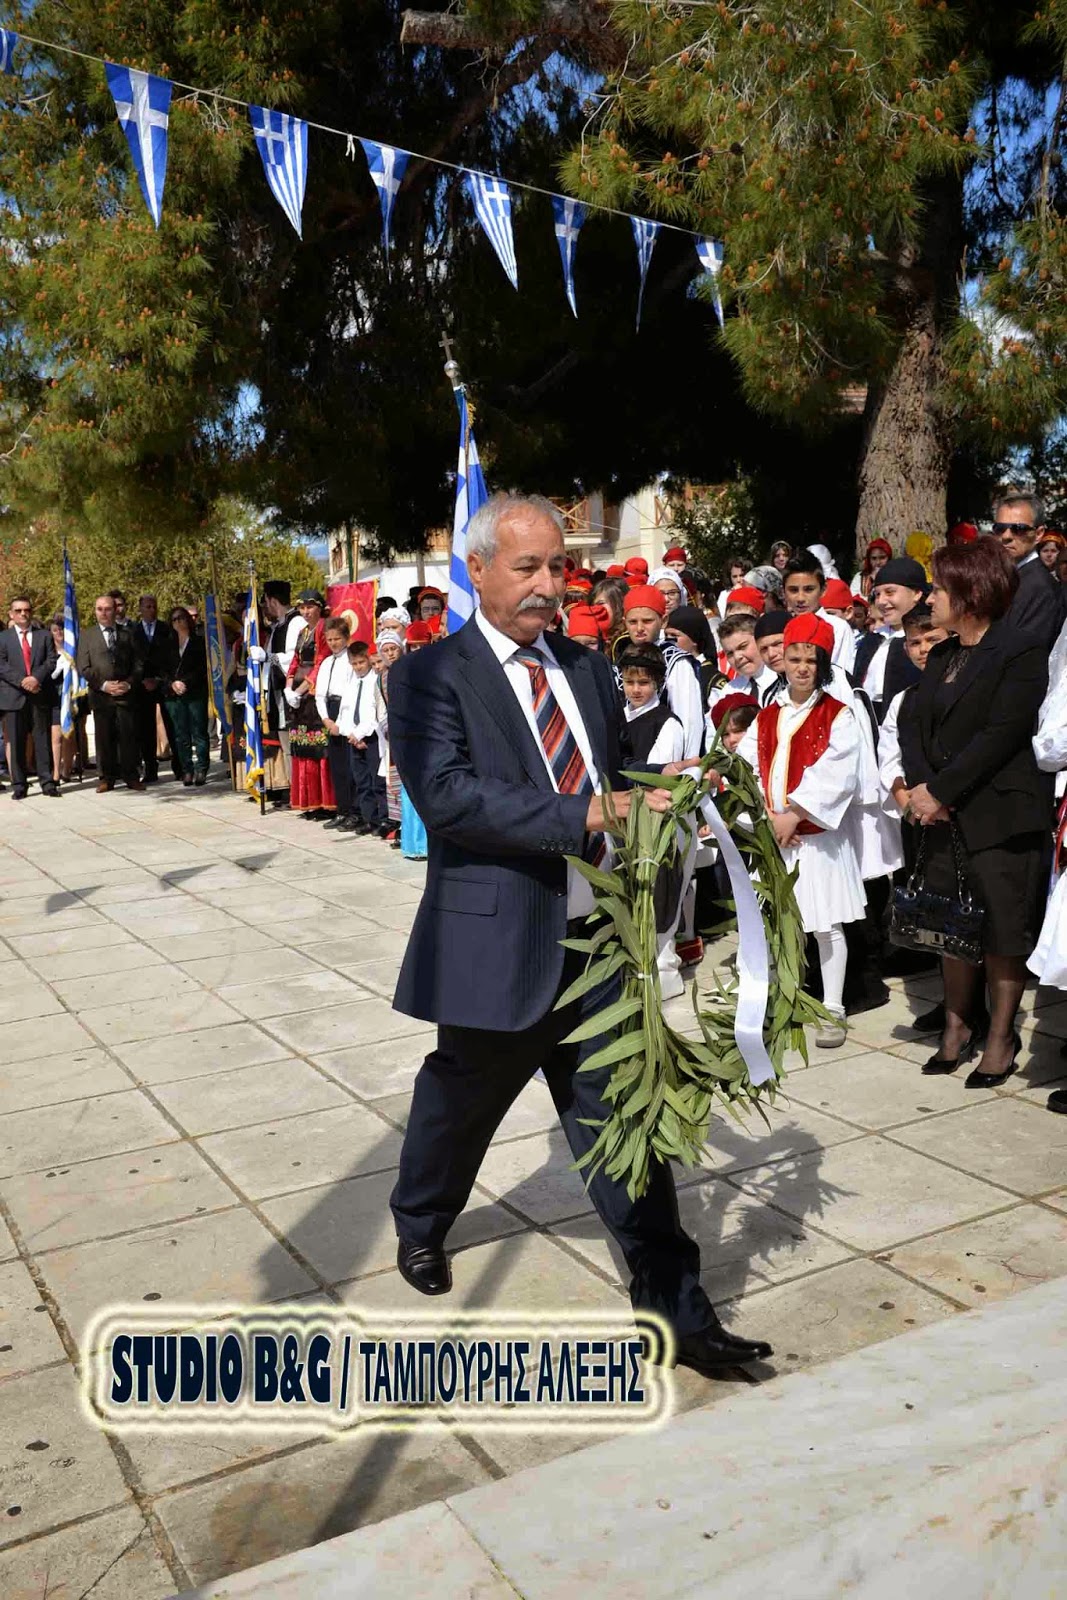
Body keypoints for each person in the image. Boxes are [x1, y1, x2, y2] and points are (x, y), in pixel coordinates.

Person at [386, 490, 771, 1375]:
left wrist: (660, 779)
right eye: (525, 567)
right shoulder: (427, 675)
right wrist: (591, 808)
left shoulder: (588, 667)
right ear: (475, 569)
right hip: (496, 941)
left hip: (598, 944)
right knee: (460, 1104)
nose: (546, 586)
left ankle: (677, 1309)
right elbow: (446, 797)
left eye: (556, 567)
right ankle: (422, 1220)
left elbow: (607, 770)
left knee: (623, 1125)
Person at [900, 537, 1051, 1087]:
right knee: (950, 927)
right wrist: (921, 787)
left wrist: (940, 790)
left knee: (1001, 933)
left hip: (1000, 816)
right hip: (941, 815)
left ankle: (1000, 1037)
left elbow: (1002, 733)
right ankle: (957, 1028)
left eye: (939, 586)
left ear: (971, 591)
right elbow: (914, 723)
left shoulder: (1020, 649)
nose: (930, 596)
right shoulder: (942, 653)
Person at [737, 613, 865, 1048]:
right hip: (774, 835)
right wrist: (766, 819)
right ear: (783, 661)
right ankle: (778, 998)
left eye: (812, 659)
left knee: (825, 923)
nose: (802, 667)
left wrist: (794, 813)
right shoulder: (767, 716)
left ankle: (833, 1006)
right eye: (794, 658)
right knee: (776, 920)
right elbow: (748, 766)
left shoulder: (839, 714)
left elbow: (837, 772)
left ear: (823, 663)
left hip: (816, 837)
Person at [622, 585, 704, 757]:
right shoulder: (623, 657)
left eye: (647, 621)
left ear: (663, 620)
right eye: (633, 622)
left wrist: (686, 770)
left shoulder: (676, 662)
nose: (639, 628)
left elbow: (689, 722)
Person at [76, 595, 144, 792]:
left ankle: (131, 776)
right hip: (101, 696)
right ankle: (106, 777)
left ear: (115, 610)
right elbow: (84, 667)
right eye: (99, 609)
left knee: (128, 737)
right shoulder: (87, 636)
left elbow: (139, 664)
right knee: (104, 738)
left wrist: (128, 684)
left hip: (126, 694)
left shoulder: (128, 633)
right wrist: (104, 685)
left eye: (107, 609)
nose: (103, 613)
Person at [853, 556, 927, 723]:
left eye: (890, 592)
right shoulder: (872, 640)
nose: (881, 601)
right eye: (877, 594)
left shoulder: (927, 639)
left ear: (916, 593)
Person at [0, 596, 58, 800]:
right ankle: (19, 785)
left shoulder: (44, 636)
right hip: (14, 697)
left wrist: (35, 678)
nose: (23, 614)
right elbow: (2, 665)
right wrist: (23, 681)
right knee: (16, 742)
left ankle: (47, 782)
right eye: (18, 611)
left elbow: (52, 660)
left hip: (39, 694)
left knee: (42, 740)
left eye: (26, 610)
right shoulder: (3, 637)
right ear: (11, 614)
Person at [286, 590, 336, 818]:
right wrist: (288, 687)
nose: (305, 612)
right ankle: (308, 800)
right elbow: (295, 660)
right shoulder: (302, 632)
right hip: (298, 694)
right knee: (302, 746)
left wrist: (299, 690)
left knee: (318, 748)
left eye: (310, 607)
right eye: (302, 607)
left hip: (314, 692)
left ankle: (325, 802)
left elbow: (320, 663)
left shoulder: (325, 629)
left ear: (319, 608)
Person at [995, 490, 1067, 649]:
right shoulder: (1006, 577)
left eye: (1018, 528)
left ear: (1039, 533)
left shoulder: (1040, 588)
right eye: (1000, 528)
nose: (1006, 536)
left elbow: (1021, 654)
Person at [315, 615, 360, 831]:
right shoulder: (326, 662)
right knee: (337, 767)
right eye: (329, 639)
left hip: (347, 712)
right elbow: (320, 694)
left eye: (337, 639)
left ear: (346, 638)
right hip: (330, 711)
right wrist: (325, 718)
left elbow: (351, 693)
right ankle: (342, 810)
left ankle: (355, 811)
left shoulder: (350, 660)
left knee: (351, 766)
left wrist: (339, 724)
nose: (333, 643)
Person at [262, 580, 305, 804]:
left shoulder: (295, 622)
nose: (265, 607)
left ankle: (298, 792)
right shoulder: (278, 625)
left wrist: (270, 657)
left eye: (266, 602)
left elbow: (293, 658)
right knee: (285, 743)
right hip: (277, 695)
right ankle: (293, 789)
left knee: (294, 745)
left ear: (273, 600)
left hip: (292, 693)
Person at [339, 639, 387, 836]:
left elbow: (373, 712)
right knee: (362, 782)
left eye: (361, 662)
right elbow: (347, 710)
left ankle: (384, 819)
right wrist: (350, 733)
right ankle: (369, 819)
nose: (358, 667)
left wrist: (360, 734)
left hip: (371, 738)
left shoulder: (373, 681)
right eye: (354, 663)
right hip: (353, 739)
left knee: (377, 781)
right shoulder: (352, 683)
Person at [782, 552, 856, 672]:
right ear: (783, 592)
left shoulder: (838, 628)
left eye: (809, 589)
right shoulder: (783, 627)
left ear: (823, 590)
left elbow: (842, 674)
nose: (800, 598)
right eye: (793, 590)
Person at [162, 607, 210, 786]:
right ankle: (186, 769)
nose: (178, 622)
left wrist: (185, 683)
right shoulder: (166, 644)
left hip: (195, 692)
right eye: (174, 619)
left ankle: (201, 768)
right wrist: (173, 684)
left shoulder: (198, 642)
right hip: (173, 695)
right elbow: (162, 670)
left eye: (181, 618)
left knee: (199, 730)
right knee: (180, 734)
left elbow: (201, 668)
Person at [132, 595, 177, 783]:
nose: (152, 610)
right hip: (142, 686)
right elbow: (131, 658)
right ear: (141, 609)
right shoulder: (133, 631)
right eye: (148, 606)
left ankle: (180, 767)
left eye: (154, 606)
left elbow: (171, 658)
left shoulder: (165, 629)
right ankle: (150, 769)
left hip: (162, 684)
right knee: (146, 730)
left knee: (171, 726)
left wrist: (159, 679)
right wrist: (142, 679)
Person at [618, 644, 685, 763]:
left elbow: (660, 777)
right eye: (629, 682)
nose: (635, 690)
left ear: (658, 682)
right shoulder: (617, 717)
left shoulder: (667, 725)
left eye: (643, 683)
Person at [716, 554, 751, 621]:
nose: (738, 580)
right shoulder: (724, 595)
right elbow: (723, 618)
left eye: (741, 575)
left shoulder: (755, 591)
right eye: (735, 576)